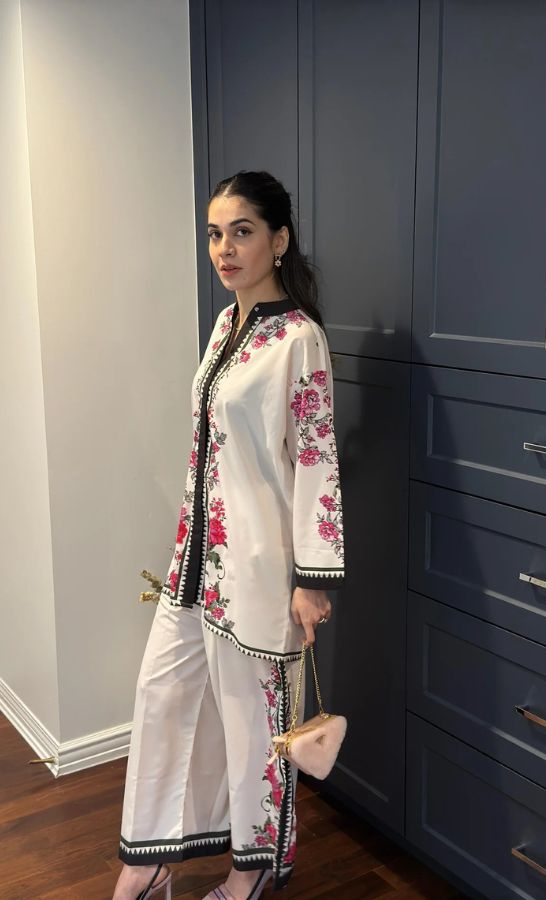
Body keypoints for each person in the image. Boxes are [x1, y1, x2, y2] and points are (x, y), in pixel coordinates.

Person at [112, 170, 345, 900]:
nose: (225, 247)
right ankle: (148, 862)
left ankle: (251, 875)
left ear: (278, 240)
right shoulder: (224, 326)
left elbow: (317, 458)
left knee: (253, 733)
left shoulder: (299, 341)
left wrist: (313, 578)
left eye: (241, 231)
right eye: (215, 233)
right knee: (163, 698)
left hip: (260, 570)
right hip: (197, 565)